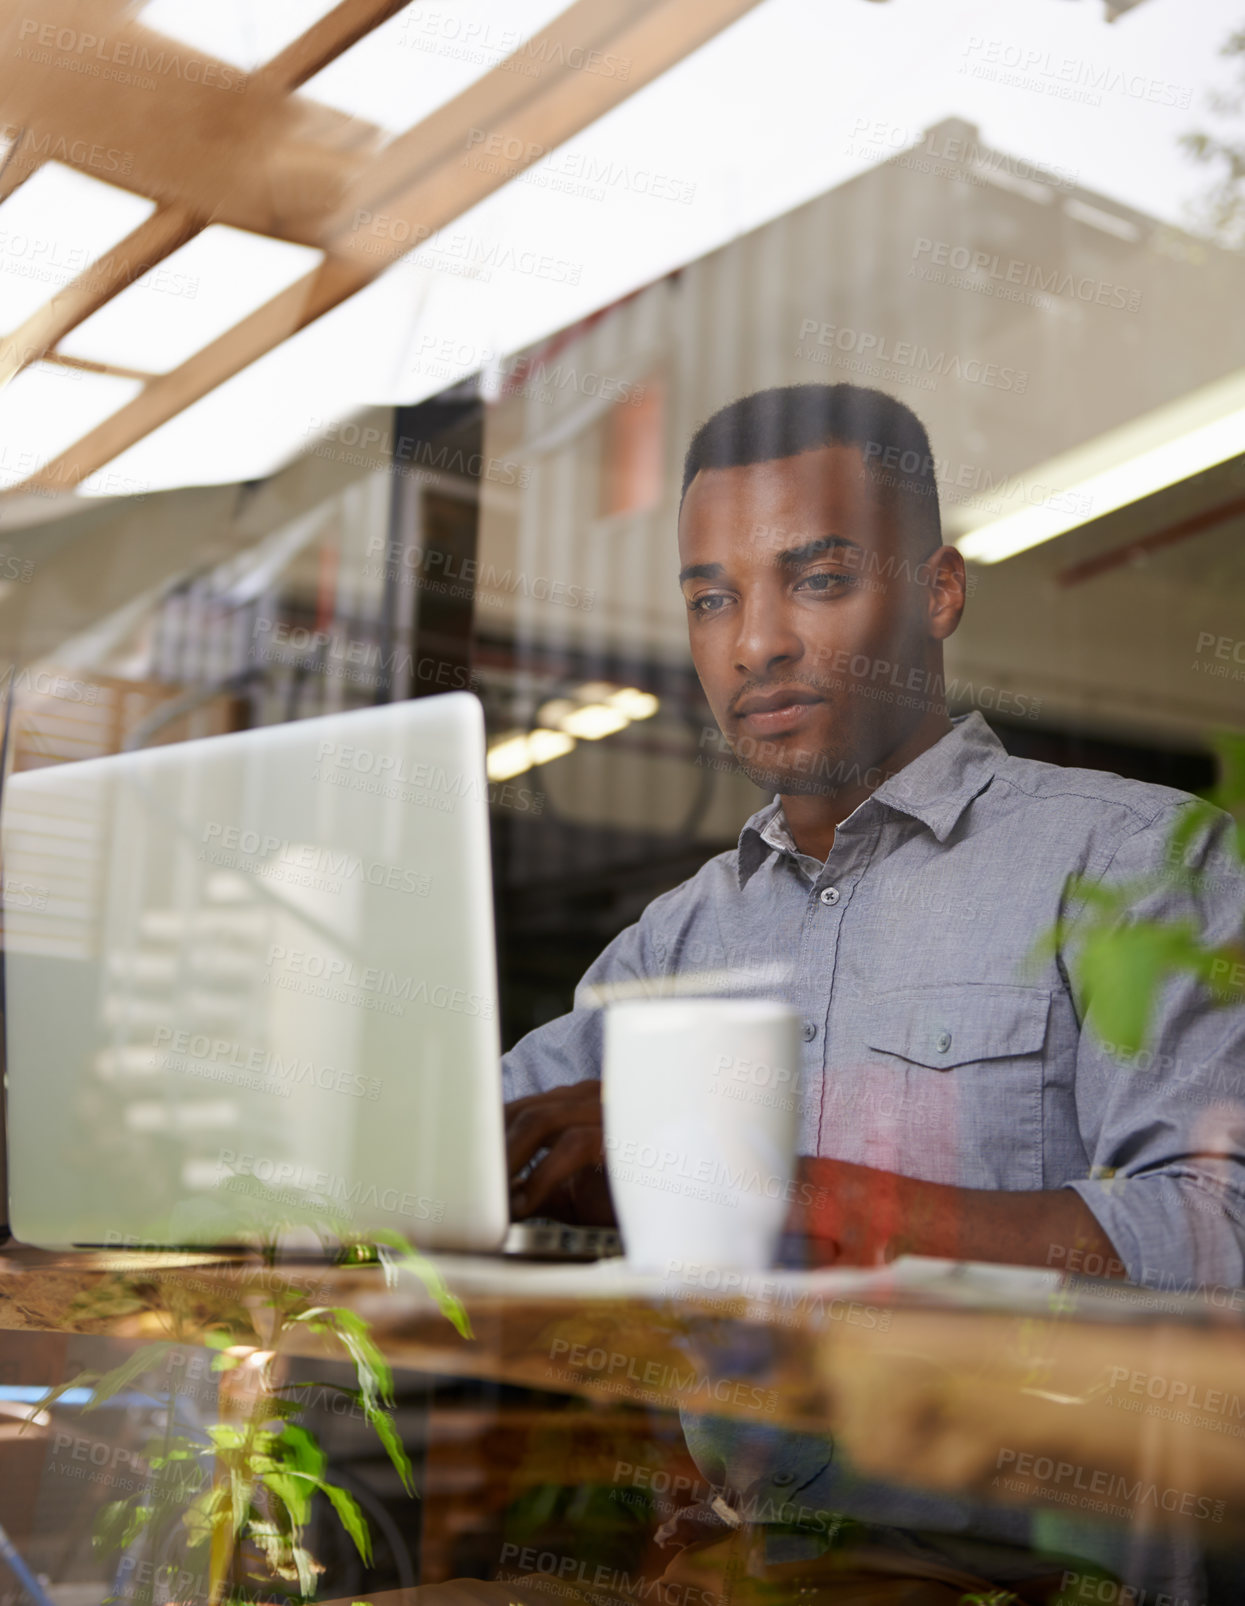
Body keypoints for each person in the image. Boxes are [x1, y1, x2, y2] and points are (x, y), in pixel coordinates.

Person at [502, 381, 1245, 1292]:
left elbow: (1217, 1234)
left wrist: (784, 1198)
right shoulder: (675, 943)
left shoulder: (1132, 862)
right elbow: (455, 1153)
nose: (754, 644)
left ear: (938, 591)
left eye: (816, 581)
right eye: (710, 601)